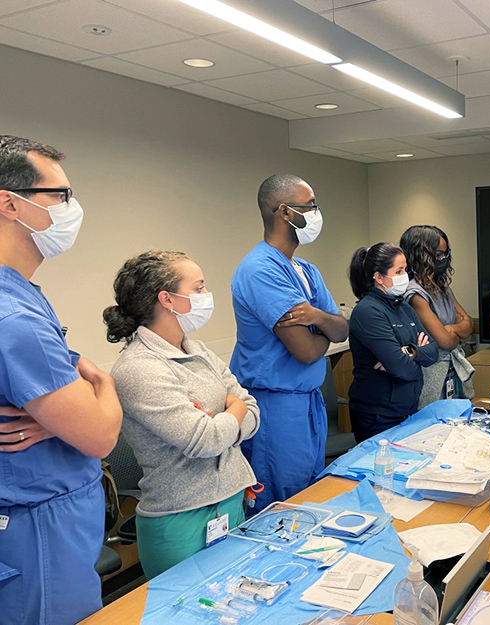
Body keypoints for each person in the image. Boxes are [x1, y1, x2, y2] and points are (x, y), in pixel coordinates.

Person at [0, 135, 122, 624]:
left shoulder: (23, 294)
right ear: (10, 203)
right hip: (40, 525)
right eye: (61, 196)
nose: (74, 210)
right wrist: (103, 388)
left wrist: (54, 419)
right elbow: (100, 434)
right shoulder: (15, 317)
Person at [104, 251, 259, 579]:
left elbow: (253, 412)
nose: (206, 296)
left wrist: (227, 415)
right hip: (179, 519)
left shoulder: (198, 350)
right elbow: (205, 440)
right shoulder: (138, 368)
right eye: (199, 288)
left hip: (231, 501)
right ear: (167, 299)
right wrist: (234, 409)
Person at [230, 174, 348, 510]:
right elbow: (306, 351)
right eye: (310, 206)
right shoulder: (259, 270)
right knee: (282, 507)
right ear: (284, 212)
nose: (315, 213)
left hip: (307, 405)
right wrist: (325, 325)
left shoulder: (306, 270)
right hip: (275, 408)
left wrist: (320, 320)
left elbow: (342, 330)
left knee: (310, 496)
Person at [347, 243, 439, 443]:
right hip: (378, 414)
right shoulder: (368, 311)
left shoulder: (404, 307)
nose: (405, 275)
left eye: (405, 269)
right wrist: (408, 357)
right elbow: (403, 369)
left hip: (407, 408)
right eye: (398, 271)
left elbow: (433, 351)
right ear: (378, 277)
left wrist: (409, 352)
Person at [400, 225, 474, 409]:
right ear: (417, 255)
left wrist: (451, 329)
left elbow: (468, 325)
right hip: (431, 374)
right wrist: (452, 331)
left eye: (444, 254)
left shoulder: (441, 285)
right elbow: (446, 341)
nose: (442, 259)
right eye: (437, 254)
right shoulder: (414, 293)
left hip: (452, 371)